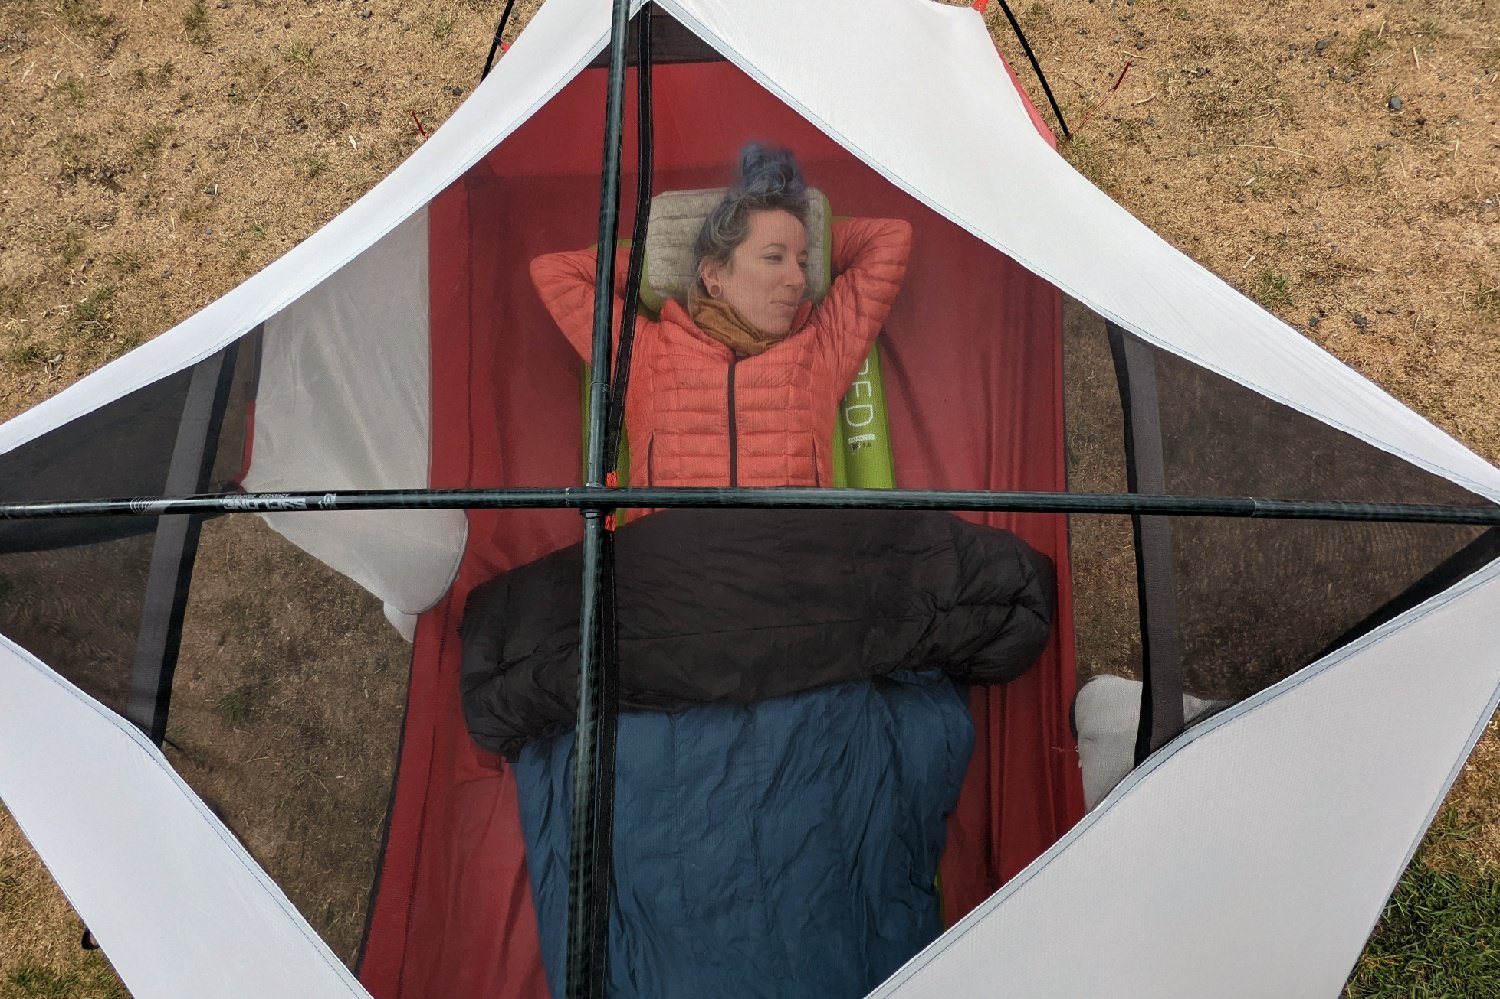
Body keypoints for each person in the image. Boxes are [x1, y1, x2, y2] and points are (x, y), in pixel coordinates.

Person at [529, 143, 913, 489]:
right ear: (713, 274)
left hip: (789, 552)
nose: (797, 280)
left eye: (803, 262)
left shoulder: (820, 349)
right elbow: (556, 273)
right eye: (773, 257)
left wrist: (818, 246)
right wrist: (656, 264)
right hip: (677, 553)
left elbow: (888, 239)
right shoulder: (647, 353)